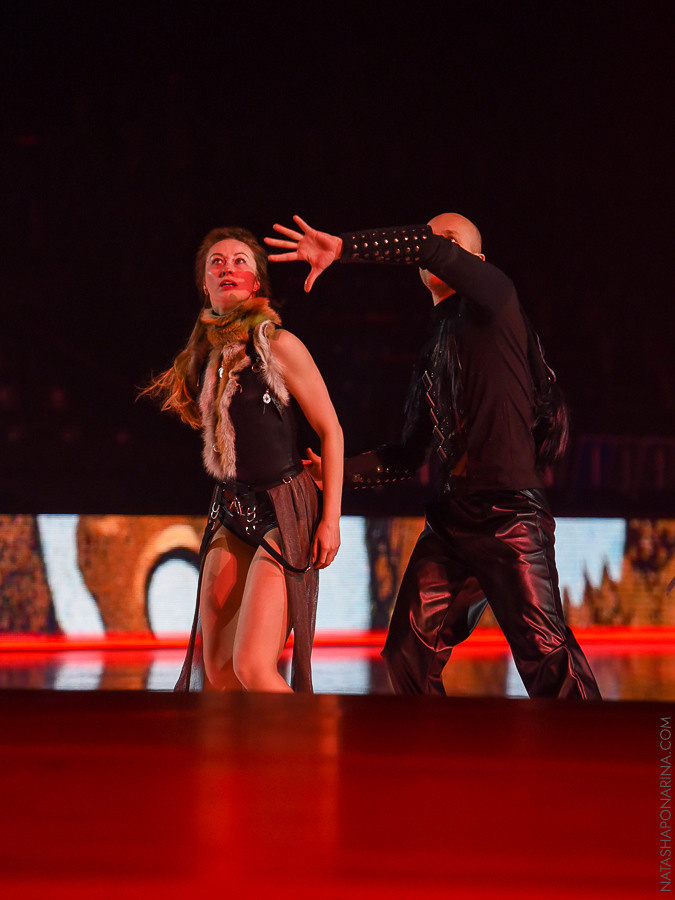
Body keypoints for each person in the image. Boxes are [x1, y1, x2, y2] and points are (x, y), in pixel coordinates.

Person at [265, 214, 601, 699]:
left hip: (510, 515)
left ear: (476, 262)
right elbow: (407, 453)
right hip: (450, 524)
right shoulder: (434, 346)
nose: (435, 247)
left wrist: (343, 247)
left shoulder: (497, 298)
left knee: (546, 655)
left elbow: (433, 251)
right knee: (406, 655)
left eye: (449, 242)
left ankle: (602, 759)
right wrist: (336, 472)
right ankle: (430, 764)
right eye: (431, 239)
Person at [143, 226, 343, 692]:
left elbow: (331, 431)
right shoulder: (207, 356)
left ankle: (310, 757)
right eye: (216, 262)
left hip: (284, 511)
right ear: (206, 285)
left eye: (239, 261)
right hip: (230, 511)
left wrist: (330, 520)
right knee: (218, 671)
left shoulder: (278, 345)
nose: (227, 267)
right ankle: (248, 764)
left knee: (252, 667)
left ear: (256, 284)